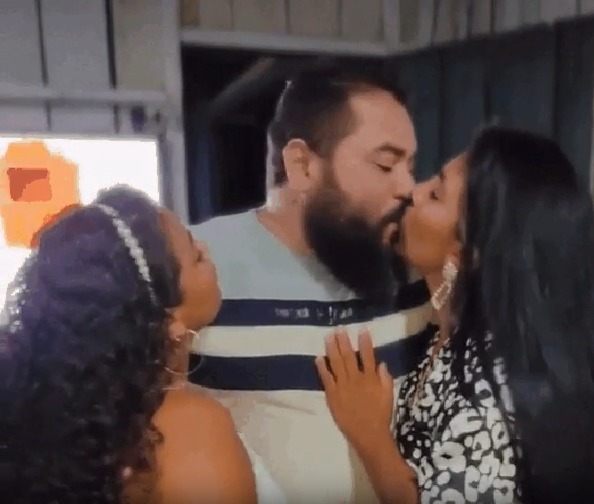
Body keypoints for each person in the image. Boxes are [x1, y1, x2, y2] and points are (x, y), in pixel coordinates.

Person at [189, 63, 432, 503]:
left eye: (410, 166)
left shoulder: (420, 271)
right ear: (302, 165)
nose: (408, 187)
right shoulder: (196, 266)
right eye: (385, 164)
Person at [316, 126, 594, 504]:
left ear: (466, 254)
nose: (413, 192)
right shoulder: (456, 333)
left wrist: (370, 436)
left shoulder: (488, 398)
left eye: (435, 194)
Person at [1, 186, 285, 504]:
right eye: (197, 257)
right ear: (168, 321)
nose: (207, 249)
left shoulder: (65, 426)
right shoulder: (190, 432)